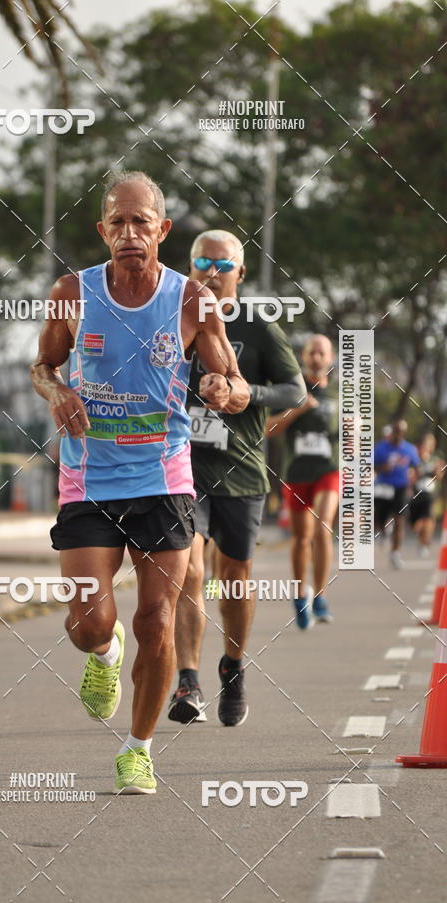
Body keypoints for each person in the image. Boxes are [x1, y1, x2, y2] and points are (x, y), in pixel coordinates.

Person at [30, 172, 250, 794]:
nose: (129, 232)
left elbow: (235, 384)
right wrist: (57, 390)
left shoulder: (193, 300)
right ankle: (104, 652)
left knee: (157, 621)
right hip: (89, 479)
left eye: (141, 222)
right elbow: (42, 365)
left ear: (162, 229)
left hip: (164, 480)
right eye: (118, 222)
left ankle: (139, 749)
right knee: (88, 623)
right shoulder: (72, 293)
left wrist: (223, 389)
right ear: (103, 230)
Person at [168, 229, 305, 726]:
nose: (212, 272)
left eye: (223, 264)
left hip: (241, 474)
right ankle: (188, 680)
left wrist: (250, 395)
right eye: (203, 262)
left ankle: (232, 666)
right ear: (189, 268)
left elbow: (294, 389)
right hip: (181, 468)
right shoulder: (169, 320)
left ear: (240, 273)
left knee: (234, 577)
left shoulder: (259, 325)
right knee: (188, 570)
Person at [266, 335, 339, 629]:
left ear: (331, 358)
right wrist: (298, 409)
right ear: (304, 357)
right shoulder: (292, 389)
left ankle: (320, 595)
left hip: (329, 470)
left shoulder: (339, 395)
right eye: (312, 352)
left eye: (322, 353)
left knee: (323, 527)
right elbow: (268, 428)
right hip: (296, 472)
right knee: (301, 539)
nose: (317, 357)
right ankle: (299, 596)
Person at [374, 420, 420, 568]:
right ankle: (383, 531)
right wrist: (382, 468)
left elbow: (416, 468)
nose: (398, 435)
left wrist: (412, 482)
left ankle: (395, 553)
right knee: (380, 517)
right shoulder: (381, 447)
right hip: (383, 487)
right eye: (396, 432)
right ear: (391, 432)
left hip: (401, 487)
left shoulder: (409, 449)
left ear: (404, 433)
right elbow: (371, 466)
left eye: (401, 432)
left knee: (399, 520)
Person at [410, 433, 443, 557]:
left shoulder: (435, 459)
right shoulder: (414, 460)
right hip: (415, 495)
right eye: (424, 444)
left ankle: (424, 544)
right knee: (416, 524)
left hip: (429, 494)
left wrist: (438, 471)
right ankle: (423, 539)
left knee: (428, 518)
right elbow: (410, 476)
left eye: (430, 444)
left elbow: (439, 477)